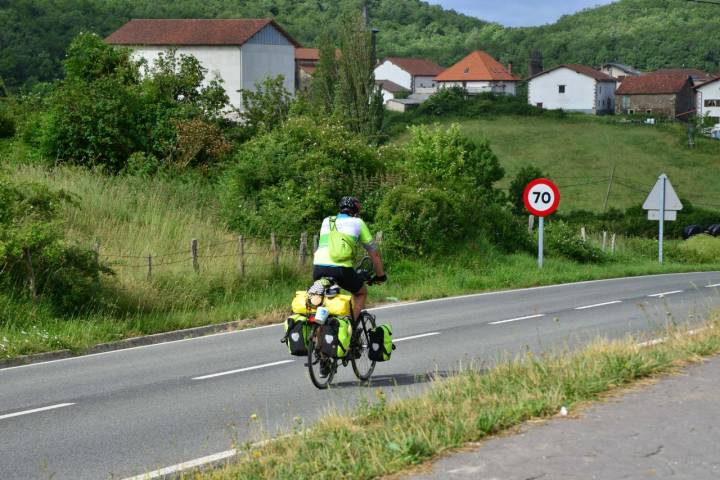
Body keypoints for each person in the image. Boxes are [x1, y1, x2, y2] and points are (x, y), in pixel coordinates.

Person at [312, 196, 386, 322]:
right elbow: (374, 253)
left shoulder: (326, 221)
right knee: (361, 293)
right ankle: (350, 326)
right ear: (355, 211)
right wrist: (380, 275)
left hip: (318, 267)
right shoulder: (358, 222)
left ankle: (317, 336)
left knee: (323, 301)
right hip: (340, 269)